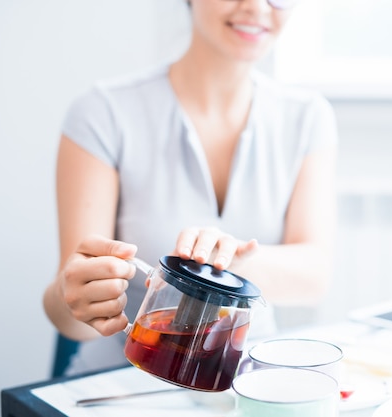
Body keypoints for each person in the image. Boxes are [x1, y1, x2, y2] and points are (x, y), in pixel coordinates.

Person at [43, 0, 338, 376]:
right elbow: (68, 313)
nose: (256, 7)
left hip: (246, 384)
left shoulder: (308, 116)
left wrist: (232, 264)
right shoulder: (103, 113)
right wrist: (72, 299)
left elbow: (314, 277)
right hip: (118, 385)